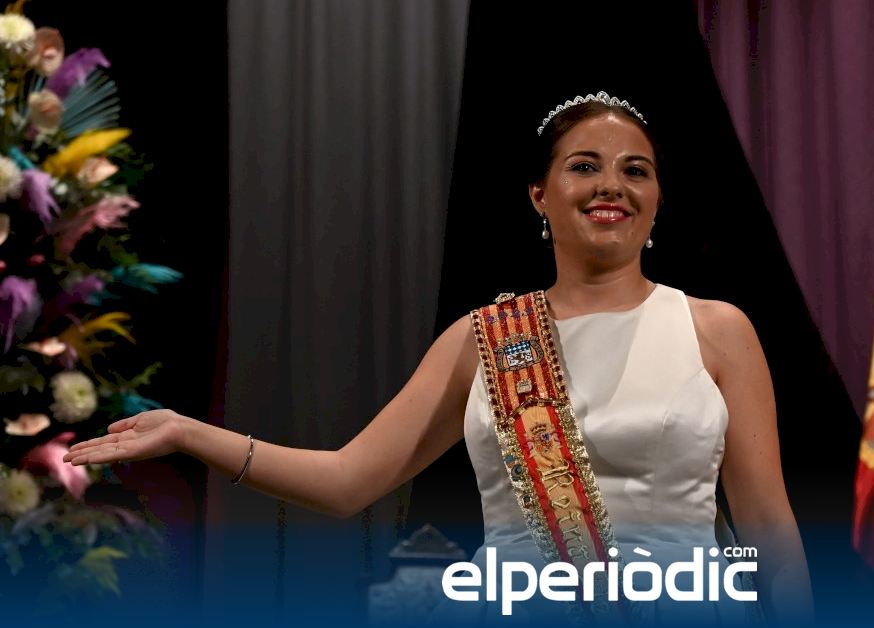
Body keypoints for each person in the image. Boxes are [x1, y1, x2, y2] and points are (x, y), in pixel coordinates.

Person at [64, 91, 813, 625]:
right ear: (539, 194)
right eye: (584, 166)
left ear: (657, 197)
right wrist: (190, 433)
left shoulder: (717, 330)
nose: (611, 185)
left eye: (636, 169)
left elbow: (771, 536)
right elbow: (347, 480)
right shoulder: (481, 339)